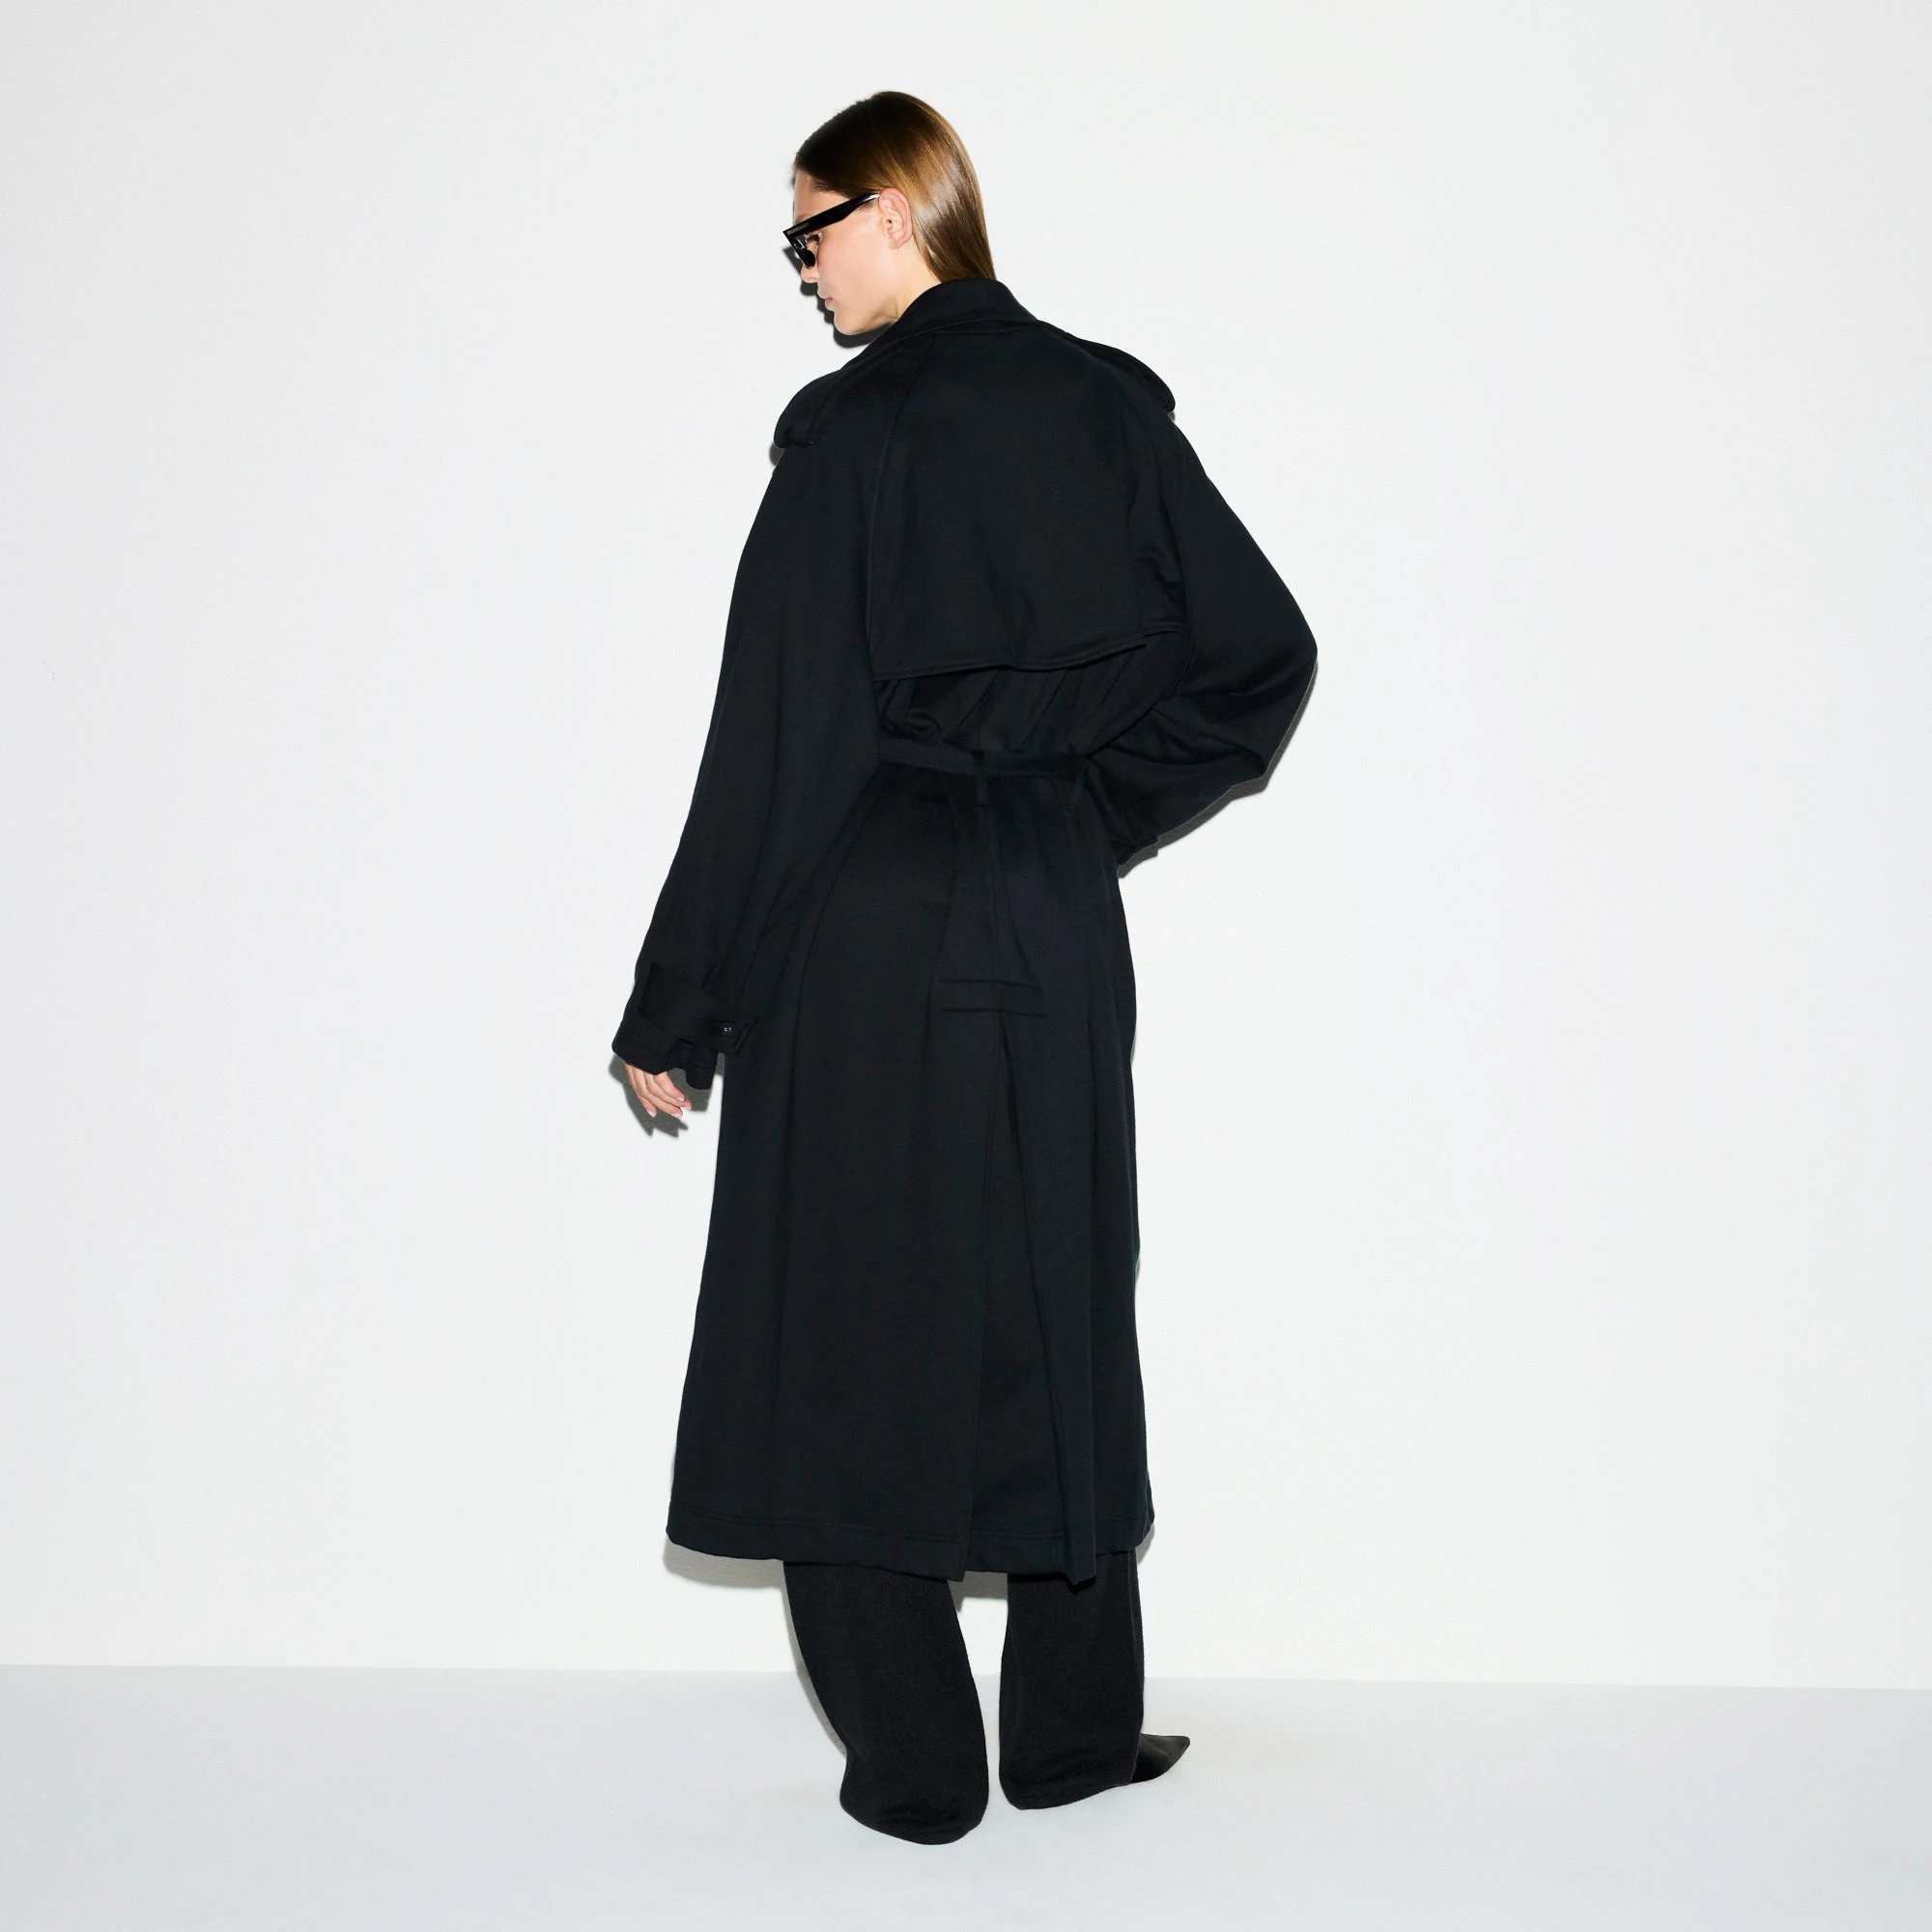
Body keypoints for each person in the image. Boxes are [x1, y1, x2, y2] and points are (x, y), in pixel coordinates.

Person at [611, 91, 1319, 1844]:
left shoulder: (854, 436)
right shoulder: (1107, 407)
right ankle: (1070, 1739)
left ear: (898, 208)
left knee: (843, 1319)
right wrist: (1083, 814)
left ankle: (921, 1766)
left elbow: (777, 747)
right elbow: (1261, 657)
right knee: (1057, 1293)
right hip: (1048, 914)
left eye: (809, 232)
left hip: (869, 914)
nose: (802, 271)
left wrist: (677, 1003)